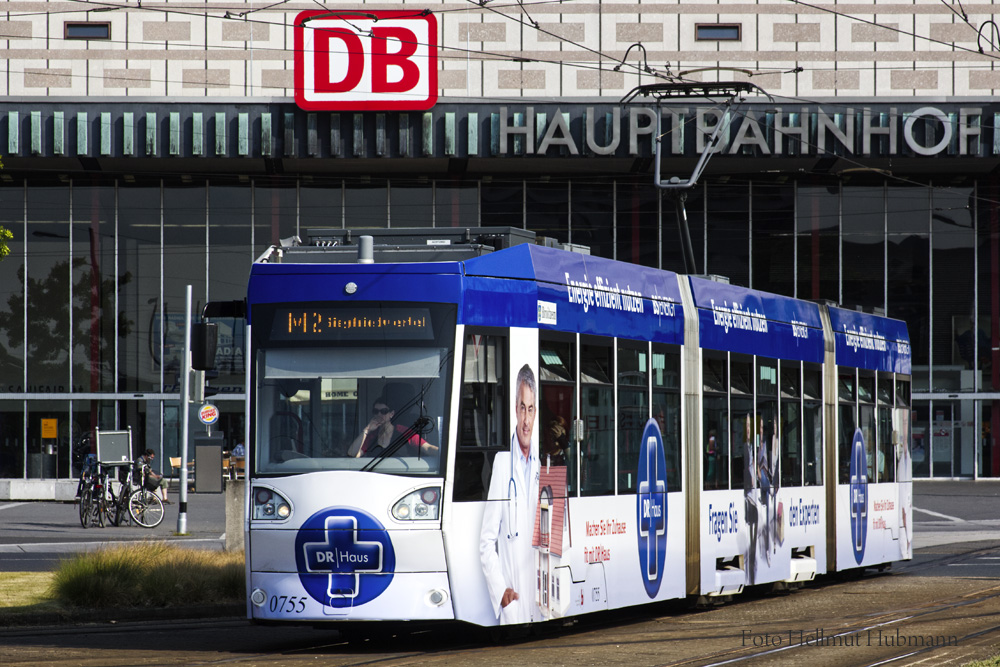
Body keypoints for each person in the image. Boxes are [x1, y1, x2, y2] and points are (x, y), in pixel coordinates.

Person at [480, 363, 540, 625]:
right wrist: (500, 590)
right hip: (514, 605)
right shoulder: (503, 464)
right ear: (515, 410)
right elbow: (486, 542)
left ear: (535, 412)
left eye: (531, 409)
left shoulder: (542, 464)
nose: (526, 420)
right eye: (522, 408)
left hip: (540, 605)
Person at [347, 393, 438, 458]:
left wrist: (446, 452)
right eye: (376, 411)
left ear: (391, 414)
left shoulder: (403, 431)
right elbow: (352, 454)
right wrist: (366, 430)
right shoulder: (371, 436)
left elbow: (428, 448)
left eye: (383, 411)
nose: (379, 414)